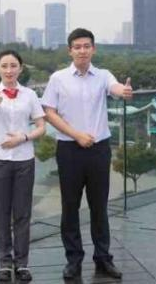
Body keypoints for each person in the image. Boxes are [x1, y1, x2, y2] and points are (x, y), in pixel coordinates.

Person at [41, 28, 133, 281]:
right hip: (69, 149)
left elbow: (115, 88)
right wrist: (76, 135)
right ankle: (74, 260)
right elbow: (49, 112)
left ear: (94, 49)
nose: (82, 51)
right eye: (77, 47)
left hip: (98, 150)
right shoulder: (58, 78)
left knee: (99, 206)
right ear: (70, 51)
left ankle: (103, 259)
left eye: (86, 46)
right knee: (70, 206)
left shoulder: (103, 75)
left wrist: (123, 91)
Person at [0, 49, 46, 282]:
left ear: (21, 68)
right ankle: (4, 262)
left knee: (22, 213)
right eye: (4, 66)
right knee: (2, 213)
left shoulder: (30, 95)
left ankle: (22, 263)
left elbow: (41, 127)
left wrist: (23, 137)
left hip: (23, 160)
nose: (9, 70)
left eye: (13, 66)